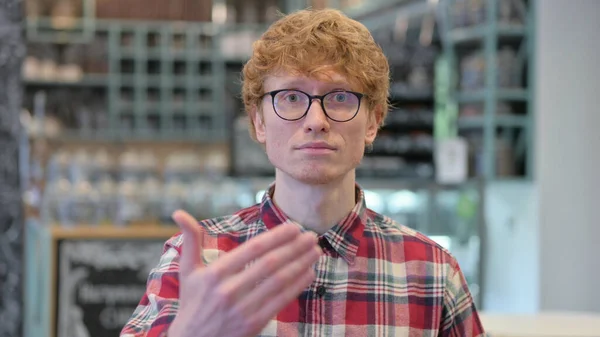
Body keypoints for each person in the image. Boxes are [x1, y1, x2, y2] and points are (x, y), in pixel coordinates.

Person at [121, 8, 485, 337]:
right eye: (292, 97)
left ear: (373, 122)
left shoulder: (432, 273)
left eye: (340, 97)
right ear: (258, 121)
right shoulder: (200, 259)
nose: (316, 121)